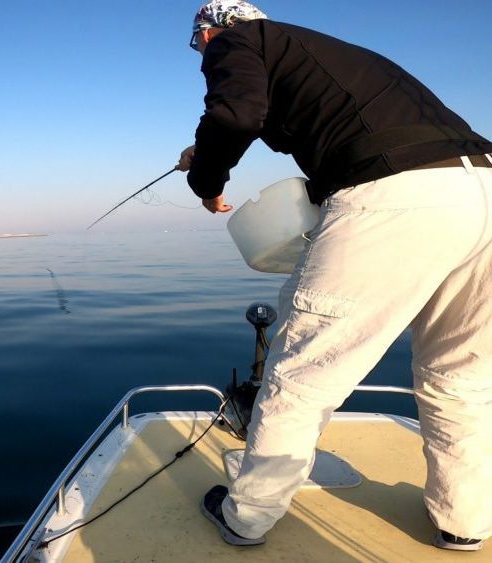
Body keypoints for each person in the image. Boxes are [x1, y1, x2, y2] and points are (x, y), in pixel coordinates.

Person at [177, 0, 492, 552]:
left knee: (302, 374)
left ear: (213, 27)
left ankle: (246, 517)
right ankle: (463, 521)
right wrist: (205, 147)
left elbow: (234, 115)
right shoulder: (324, 51)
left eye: (195, 42)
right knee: (460, 378)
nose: (198, 53)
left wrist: (206, 179)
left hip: (397, 198)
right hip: (482, 189)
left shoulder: (238, 39)